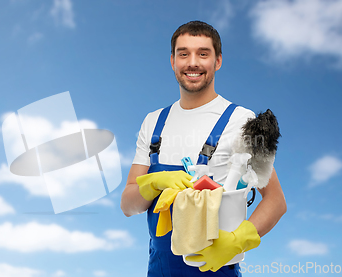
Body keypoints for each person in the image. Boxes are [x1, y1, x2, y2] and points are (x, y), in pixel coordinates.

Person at [120, 21, 286, 276]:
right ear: (173, 61)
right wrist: (154, 183)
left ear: (218, 61)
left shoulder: (241, 120)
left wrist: (239, 240)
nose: (192, 62)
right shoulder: (153, 122)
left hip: (218, 267)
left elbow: (275, 200)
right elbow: (128, 206)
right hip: (159, 269)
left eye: (203, 53)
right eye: (183, 53)